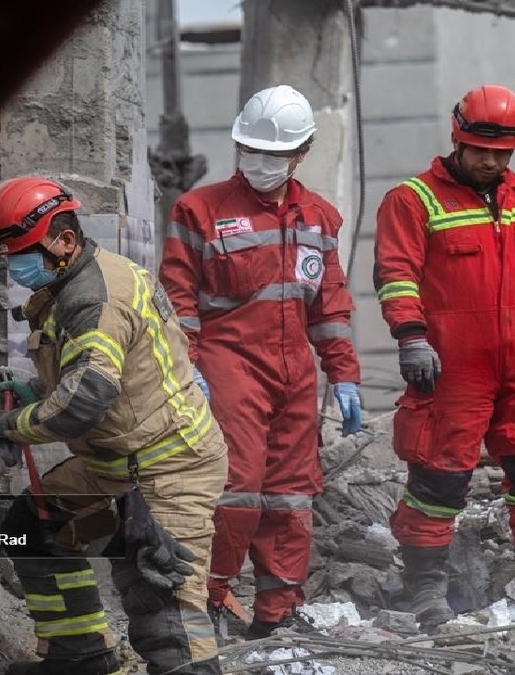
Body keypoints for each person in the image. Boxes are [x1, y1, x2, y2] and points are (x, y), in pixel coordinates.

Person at [0, 175, 228, 675]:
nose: (16, 267)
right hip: (116, 462)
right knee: (35, 528)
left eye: (22, 254)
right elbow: (98, 379)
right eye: (8, 255)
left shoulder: (95, 300)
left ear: (65, 241)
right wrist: (39, 395)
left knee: (164, 604)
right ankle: (79, 656)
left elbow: (83, 401)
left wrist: (13, 425)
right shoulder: (73, 283)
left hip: (170, 466)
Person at [374, 84, 515, 627]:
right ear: (458, 138)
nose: (491, 162)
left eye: (502, 154)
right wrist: (411, 337)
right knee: (438, 482)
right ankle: (425, 590)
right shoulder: (413, 199)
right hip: (450, 370)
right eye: (480, 151)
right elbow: (395, 274)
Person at [158, 84, 363, 638]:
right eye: (250, 150)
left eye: (274, 155)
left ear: (302, 153)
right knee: (237, 487)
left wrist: (343, 374)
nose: (259, 163)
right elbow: (178, 298)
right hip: (229, 362)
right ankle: (212, 598)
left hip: (295, 368)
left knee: (292, 494)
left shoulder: (319, 217)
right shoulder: (197, 210)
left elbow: (330, 305)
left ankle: (278, 610)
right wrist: (189, 367)